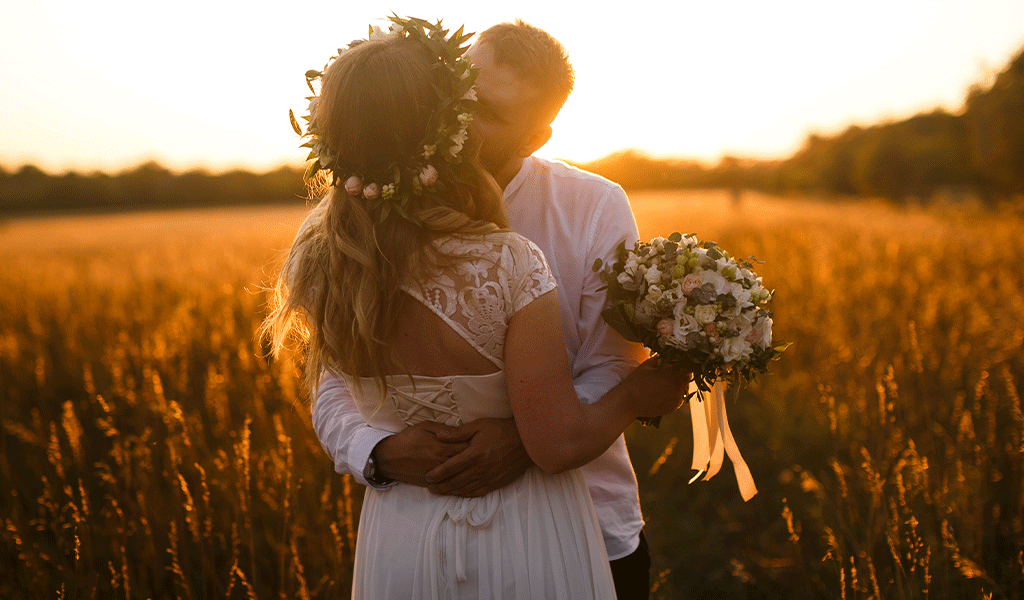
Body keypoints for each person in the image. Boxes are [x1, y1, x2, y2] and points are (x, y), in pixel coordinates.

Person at [277, 18, 690, 599]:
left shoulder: (593, 205)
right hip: (417, 526)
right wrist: (379, 451)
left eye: (488, 114)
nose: (460, 120)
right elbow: (331, 380)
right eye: (458, 94)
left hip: (589, 525)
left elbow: (612, 361)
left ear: (535, 137)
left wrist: (525, 440)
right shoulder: (354, 222)